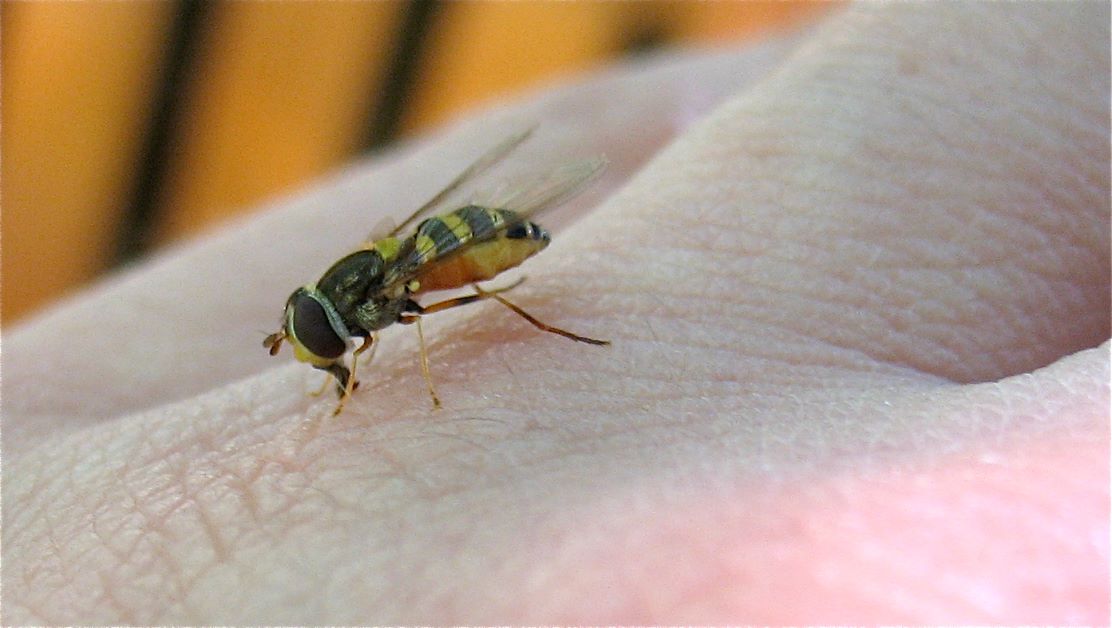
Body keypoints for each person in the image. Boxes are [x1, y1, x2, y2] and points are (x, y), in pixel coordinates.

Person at [4, 3, 1107, 623]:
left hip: (485, 239)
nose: (323, 342)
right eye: (318, 337)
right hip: (457, 233)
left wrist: (427, 369)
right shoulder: (350, 298)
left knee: (461, 290)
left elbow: (431, 291)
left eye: (323, 339)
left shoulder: (386, 302)